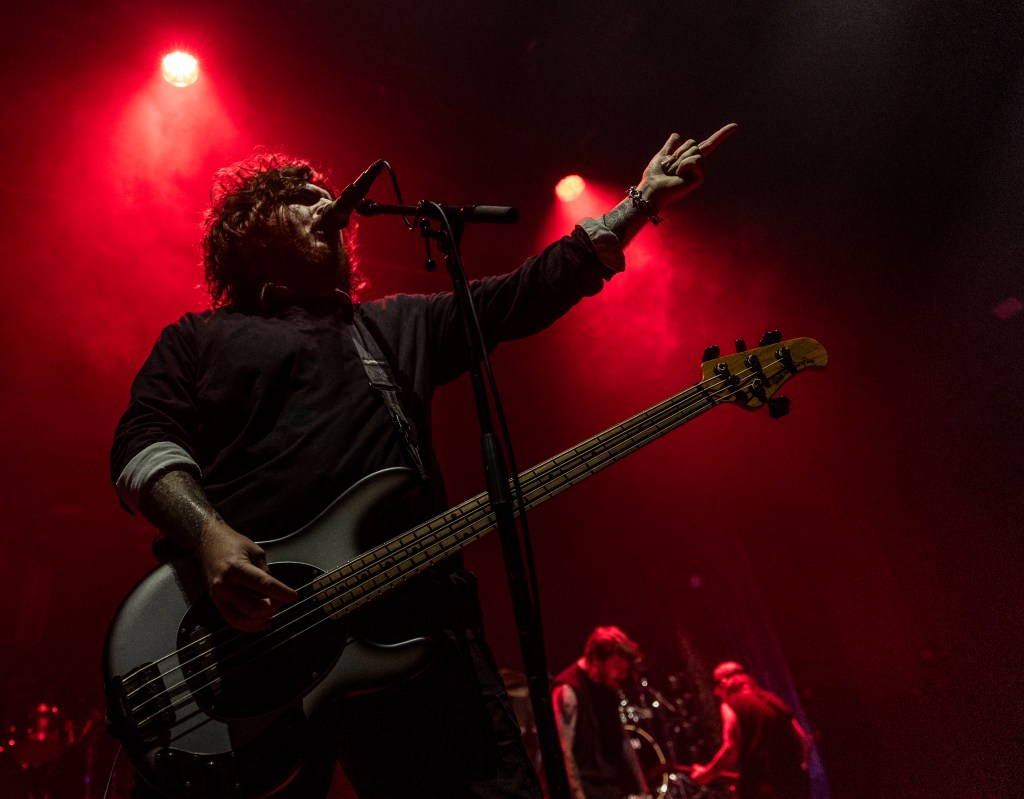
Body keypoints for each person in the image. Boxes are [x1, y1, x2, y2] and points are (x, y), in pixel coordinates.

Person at [109, 124, 737, 799]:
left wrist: (639, 204)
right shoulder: (197, 340)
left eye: (324, 194)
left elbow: (523, 292)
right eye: (300, 197)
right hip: (246, 647)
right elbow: (142, 444)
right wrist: (208, 536)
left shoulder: (394, 326)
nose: (325, 202)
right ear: (252, 231)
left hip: (417, 635)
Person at [690, 661, 812, 799]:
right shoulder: (774, 702)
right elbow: (803, 740)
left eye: (718, 689)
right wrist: (801, 769)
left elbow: (731, 749)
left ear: (723, 682)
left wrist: (707, 774)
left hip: (762, 787)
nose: (719, 694)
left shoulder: (731, 704)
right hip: (794, 785)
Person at [551, 626, 648, 799]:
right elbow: (564, 753)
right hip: (586, 792)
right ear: (596, 659)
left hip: (611, 790)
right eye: (618, 667)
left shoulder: (608, 687)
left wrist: (643, 791)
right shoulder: (568, 691)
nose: (623, 675)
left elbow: (623, 741)